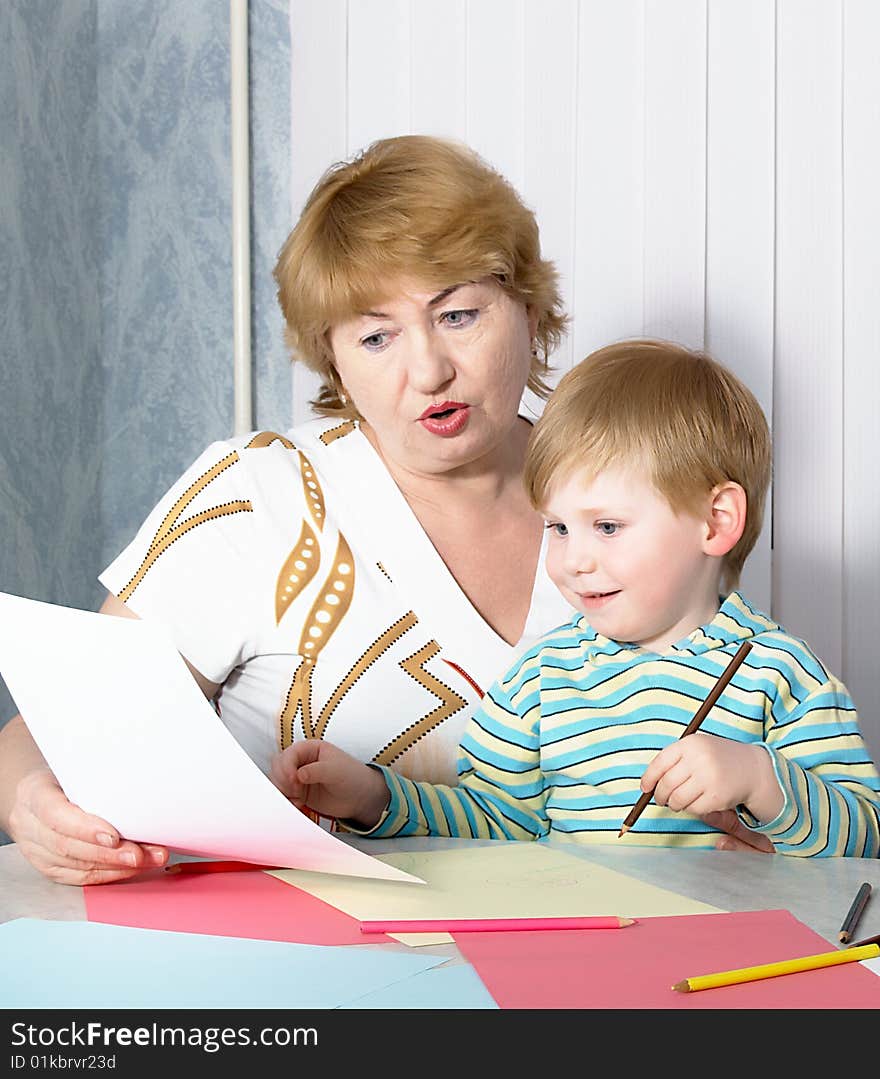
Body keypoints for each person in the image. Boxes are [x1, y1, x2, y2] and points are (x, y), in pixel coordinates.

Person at [0, 138, 766, 883]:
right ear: (332, 357)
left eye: (459, 314)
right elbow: (47, 732)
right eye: (375, 335)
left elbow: (736, 731)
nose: (429, 368)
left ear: (527, 308)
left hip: (575, 966)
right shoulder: (258, 494)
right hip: (292, 969)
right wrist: (33, 801)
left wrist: (748, 835)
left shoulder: (628, 493)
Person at [272, 340, 880, 856]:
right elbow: (495, 820)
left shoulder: (781, 674)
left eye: (607, 527)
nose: (573, 559)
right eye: (558, 528)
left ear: (716, 521)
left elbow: (866, 838)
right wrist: (373, 796)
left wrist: (761, 781)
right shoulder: (541, 678)